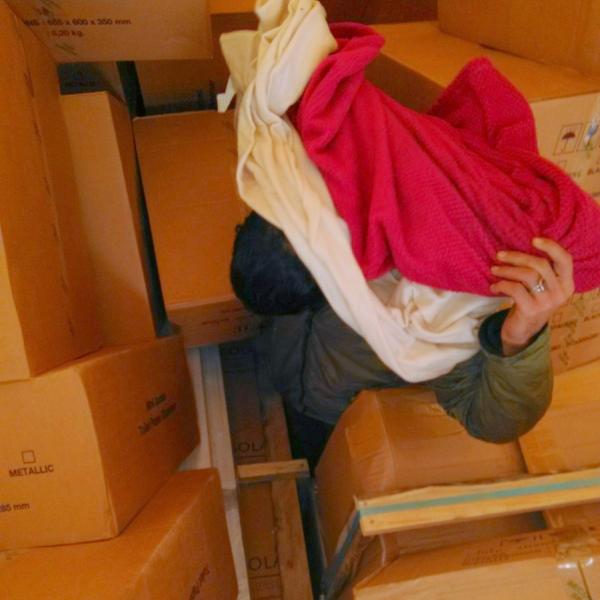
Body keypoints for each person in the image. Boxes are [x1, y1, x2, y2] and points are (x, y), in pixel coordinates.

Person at [231, 211, 575, 468]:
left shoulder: (435, 301)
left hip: (339, 417)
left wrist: (517, 342)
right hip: (284, 371)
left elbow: (493, 419)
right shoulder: (317, 197)